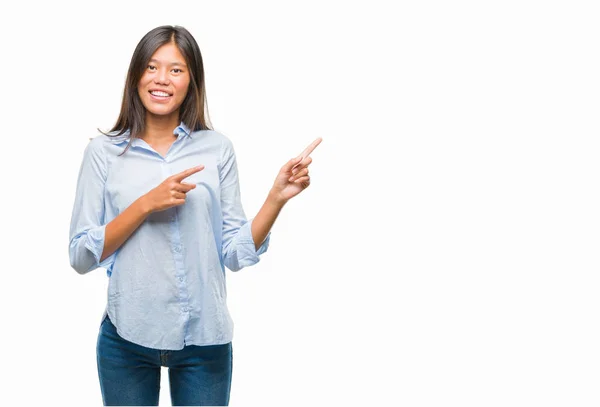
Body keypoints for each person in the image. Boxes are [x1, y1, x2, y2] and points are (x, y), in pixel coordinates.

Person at [68, 25, 321, 406]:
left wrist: (276, 198)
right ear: (136, 75)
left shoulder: (216, 149)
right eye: (152, 67)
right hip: (127, 338)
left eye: (176, 69)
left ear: (192, 80)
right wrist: (144, 205)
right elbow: (80, 257)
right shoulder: (104, 153)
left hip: (205, 340)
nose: (161, 79)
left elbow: (235, 254)